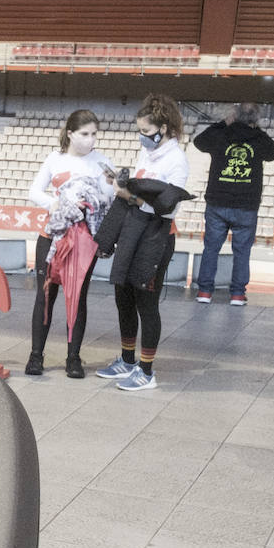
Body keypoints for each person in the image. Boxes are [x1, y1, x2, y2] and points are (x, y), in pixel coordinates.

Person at [93, 94, 193, 392]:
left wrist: (129, 197)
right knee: (123, 297)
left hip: (155, 236)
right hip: (132, 231)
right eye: (140, 132)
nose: (142, 138)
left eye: (147, 132)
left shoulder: (177, 160)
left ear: (164, 128)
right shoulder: (146, 155)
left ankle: (147, 371)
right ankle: (126, 360)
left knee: (146, 303)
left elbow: (168, 207)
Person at [23, 109, 115, 378]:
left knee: (79, 296)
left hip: (85, 239)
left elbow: (110, 196)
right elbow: (34, 191)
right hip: (53, 234)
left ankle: (73, 357)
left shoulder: (102, 162)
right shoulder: (55, 158)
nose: (91, 140)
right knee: (46, 295)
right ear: (71, 134)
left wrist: (107, 189)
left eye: (95, 134)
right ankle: (35, 355)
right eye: (85, 134)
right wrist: (56, 204)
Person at [192, 102, 274, 306]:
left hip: (217, 202)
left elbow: (199, 141)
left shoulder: (221, 134)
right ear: (255, 119)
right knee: (242, 251)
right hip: (246, 205)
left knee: (211, 249)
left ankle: (205, 292)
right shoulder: (257, 138)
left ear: (234, 116)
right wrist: (255, 128)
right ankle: (237, 294)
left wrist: (223, 123)